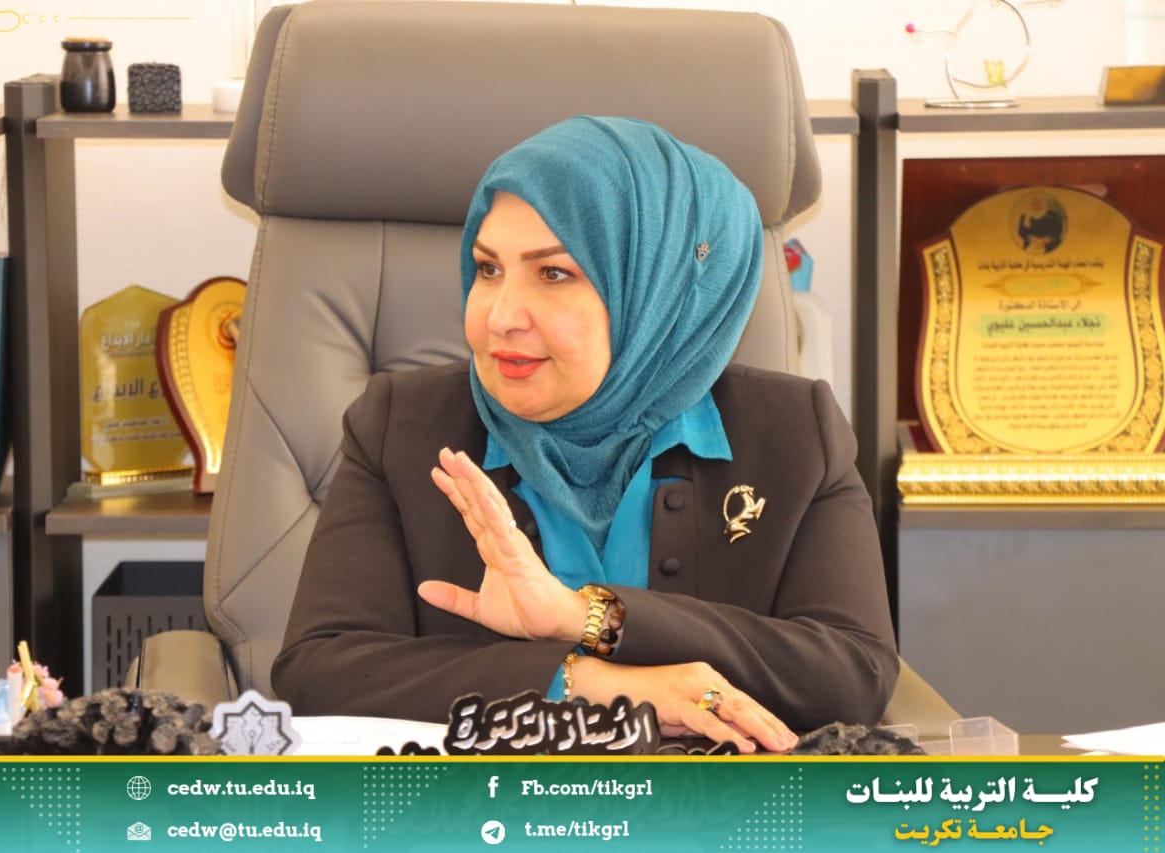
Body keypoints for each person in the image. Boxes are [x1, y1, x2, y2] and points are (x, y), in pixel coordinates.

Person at [272, 116, 897, 753]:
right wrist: (584, 683)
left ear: (661, 291)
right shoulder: (400, 426)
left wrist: (587, 617)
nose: (500, 317)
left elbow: (853, 674)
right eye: (487, 269)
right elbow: (320, 673)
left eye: (553, 274)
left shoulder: (795, 433)